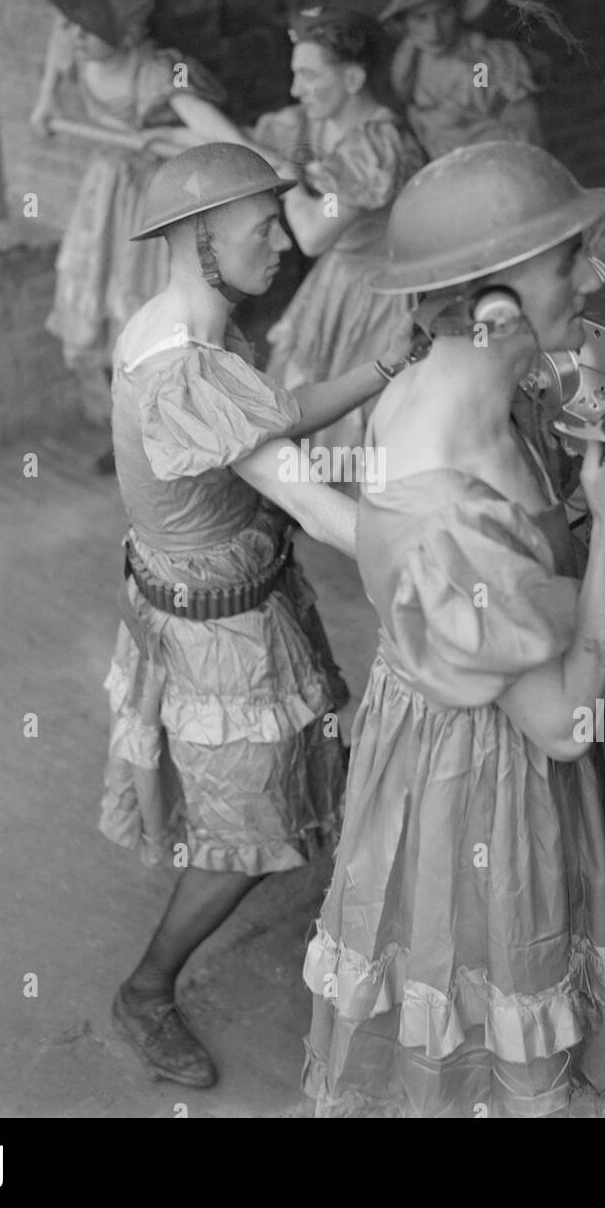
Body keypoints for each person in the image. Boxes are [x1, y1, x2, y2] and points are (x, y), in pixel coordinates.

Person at [302, 142, 605, 1118]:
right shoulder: (448, 512)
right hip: (492, 778)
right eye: (564, 263)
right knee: (503, 988)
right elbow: (563, 726)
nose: (586, 277)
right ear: (493, 305)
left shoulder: (442, 379)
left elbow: (585, 367)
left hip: (431, 740)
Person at [102, 143, 418, 1089]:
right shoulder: (184, 370)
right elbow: (314, 504)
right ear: (200, 237)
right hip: (220, 640)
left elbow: (270, 418)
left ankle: (357, 898)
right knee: (246, 832)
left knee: (296, 769)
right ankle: (147, 989)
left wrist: (373, 370)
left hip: (234, 601)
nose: (284, 241)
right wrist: (445, 565)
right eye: (262, 227)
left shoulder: (182, 328)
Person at [27, 0, 246, 437]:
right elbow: (57, 44)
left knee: (144, 302)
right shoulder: (81, 48)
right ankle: (127, 426)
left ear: (125, 34)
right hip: (105, 191)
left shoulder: (151, 70)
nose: (71, 35)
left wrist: (248, 152)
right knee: (98, 294)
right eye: (69, 23)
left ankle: (171, 423)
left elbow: (205, 123)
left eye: (85, 27)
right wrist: (46, 101)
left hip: (152, 198)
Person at [249, 8, 426, 455]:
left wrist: (285, 180)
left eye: (309, 76)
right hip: (338, 281)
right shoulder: (318, 123)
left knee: (360, 418)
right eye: (295, 75)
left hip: (379, 293)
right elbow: (246, 137)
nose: (295, 89)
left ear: (352, 79)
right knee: (312, 397)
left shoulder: (376, 145)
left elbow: (311, 235)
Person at [379, 0, 546, 161]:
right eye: (421, 18)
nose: (434, 30)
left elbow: (526, 134)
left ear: (458, 10)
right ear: (405, 22)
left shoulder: (488, 60)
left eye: (444, 13)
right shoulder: (408, 64)